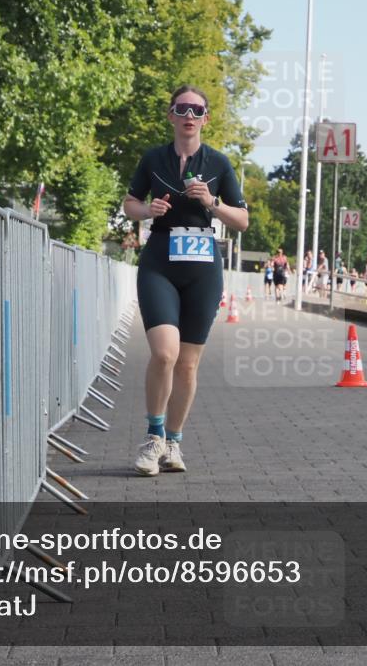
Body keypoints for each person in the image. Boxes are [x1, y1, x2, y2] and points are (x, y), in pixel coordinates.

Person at [122, 84, 249, 476]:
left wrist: (211, 202)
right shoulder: (153, 159)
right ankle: (153, 437)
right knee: (164, 354)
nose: (189, 116)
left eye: (197, 110)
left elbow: (242, 220)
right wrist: (148, 209)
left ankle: (174, 443)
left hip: (202, 267)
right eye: (183, 109)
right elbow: (128, 205)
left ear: (205, 119)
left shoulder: (219, 164)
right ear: (171, 115)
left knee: (188, 366)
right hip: (160, 260)